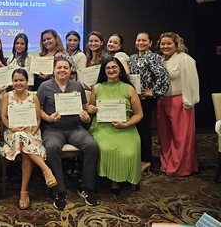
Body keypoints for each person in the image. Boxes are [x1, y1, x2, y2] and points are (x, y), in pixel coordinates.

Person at [37, 57, 98, 210]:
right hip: (53, 129)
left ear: (70, 70)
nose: (62, 70)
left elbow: (84, 107)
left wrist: (85, 115)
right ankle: (59, 191)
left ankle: (87, 188)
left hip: (75, 128)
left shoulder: (77, 85)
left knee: (92, 146)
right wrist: (48, 118)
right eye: (59, 68)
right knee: (51, 148)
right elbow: (38, 109)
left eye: (65, 67)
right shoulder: (45, 86)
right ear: (54, 70)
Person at [1, 68, 57, 210]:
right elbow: (3, 117)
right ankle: (45, 169)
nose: (18, 83)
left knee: (25, 149)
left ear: (27, 82)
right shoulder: (7, 96)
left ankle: (24, 192)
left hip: (32, 132)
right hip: (12, 133)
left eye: (21, 80)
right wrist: (12, 127)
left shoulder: (34, 97)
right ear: (12, 82)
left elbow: (38, 119)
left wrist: (33, 130)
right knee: (20, 137)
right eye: (15, 80)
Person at [88, 57, 143, 194]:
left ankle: (124, 178)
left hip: (126, 127)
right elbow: (91, 110)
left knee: (129, 151)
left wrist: (126, 124)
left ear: (120, 70)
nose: (111, 70)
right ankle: (113, 180)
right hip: (102, 127)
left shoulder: (129, 88)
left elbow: (139, 114)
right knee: (105, 148)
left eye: (114, 67)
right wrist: (91, 109)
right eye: (108, 68)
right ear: (104, 71)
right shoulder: (97, 88)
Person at [156, 32, 199, 176]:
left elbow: (191, 82)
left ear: (176, 45)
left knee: (181, 137)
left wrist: (188, 102)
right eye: (163, 44)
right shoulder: (160, 60)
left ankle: (180, 167)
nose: (165, 46)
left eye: (169, 43)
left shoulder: (185, 59)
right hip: (162, 101)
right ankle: (166, 163)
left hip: (180, 102)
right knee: (164, 135)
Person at [129, 32, 170, 173]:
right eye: (138, 40)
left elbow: (163, 76)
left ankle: (146, 160)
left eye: (144, 40)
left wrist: (153, 92)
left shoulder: (154, 57)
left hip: (146, 100)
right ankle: (137, 157)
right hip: (134, 98)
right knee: (135, 129)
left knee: (144, 129)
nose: (141, 42)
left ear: (150, 43)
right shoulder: (133, 58)